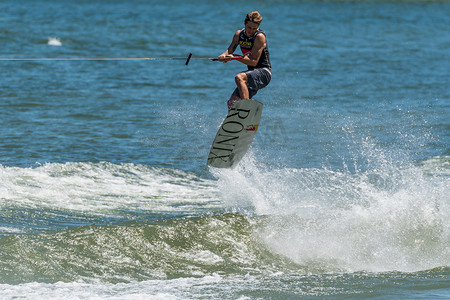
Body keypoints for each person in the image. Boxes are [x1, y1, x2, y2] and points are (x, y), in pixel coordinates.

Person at [218, 11, 271, 110]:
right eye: (249, 27)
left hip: (263, 73)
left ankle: (247, 110)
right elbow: (230, 50)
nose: (251, 31)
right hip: (251, 75)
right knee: (231, 103)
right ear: (245, 24)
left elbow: (254, 62)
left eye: (254, 28)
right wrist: (223, 56)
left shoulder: (259, 37)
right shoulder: (239, 34)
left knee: (239, 77)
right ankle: (237, 123)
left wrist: (234, 56)